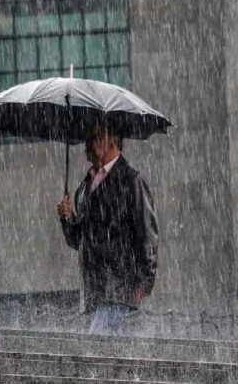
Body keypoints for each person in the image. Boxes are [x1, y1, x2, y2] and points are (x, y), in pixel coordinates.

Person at [56, 122, 159, 335]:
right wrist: (67, 219)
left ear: (113, 138)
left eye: (96, 136)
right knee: (107, 357)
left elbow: (148, 234)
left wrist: (144, 282)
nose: (90, 144)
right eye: (89, 138)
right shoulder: (84, 187)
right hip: (94, 290)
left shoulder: (132, 181)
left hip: (119, 288)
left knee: (95, 348)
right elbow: (78, 240)